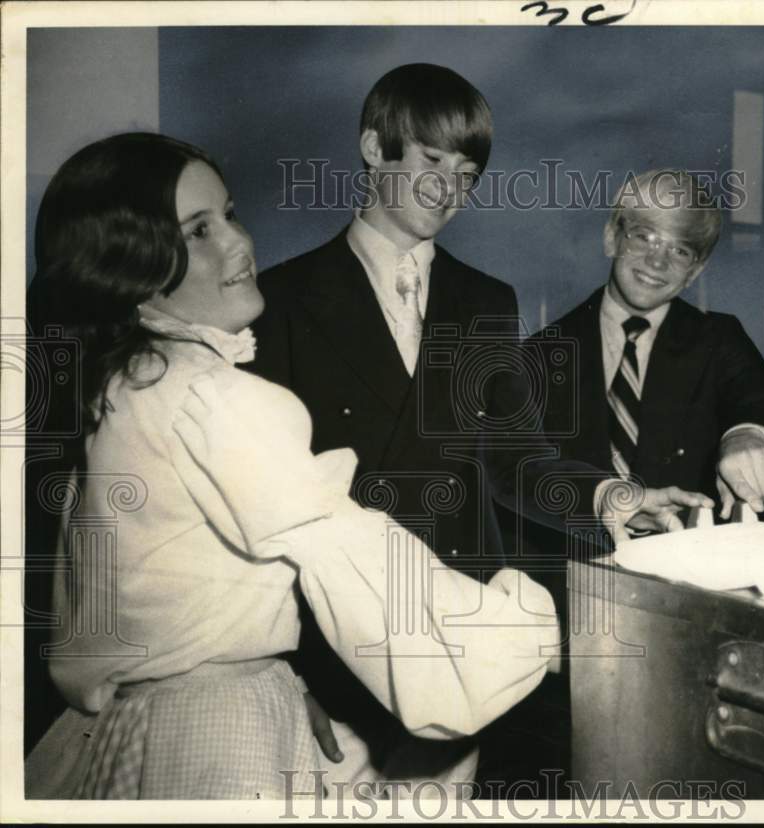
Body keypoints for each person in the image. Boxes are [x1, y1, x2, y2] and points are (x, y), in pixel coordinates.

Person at [23, 131, 571, 800]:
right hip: (219, 741)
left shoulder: (124, 386)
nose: (236, 243)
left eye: (228, 213)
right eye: (198, 231)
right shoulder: (219, 398)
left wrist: (274, 682)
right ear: (128, 268)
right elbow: (362, 564)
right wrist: (534, 628)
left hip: (137, 728)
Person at [250, 65, 711, 791]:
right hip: (331, 669)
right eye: (431, 161)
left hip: (457, 659)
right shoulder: (280, 299)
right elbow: (258, 510)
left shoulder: (484, 301)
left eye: (465, 172)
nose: (448, 187)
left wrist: (614, 499)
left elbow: (517, 460)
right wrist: (277, 677)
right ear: (375, 148)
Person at [499, 169, 764, 785]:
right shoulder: (540, 354)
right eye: (643, 237)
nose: (658, 261)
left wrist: (746, 435)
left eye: (680, 249)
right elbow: (514, 473)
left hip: (681, 635)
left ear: (697, 269)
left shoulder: (719, 341)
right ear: (612, 236)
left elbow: (763, 406)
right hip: (563, 643)